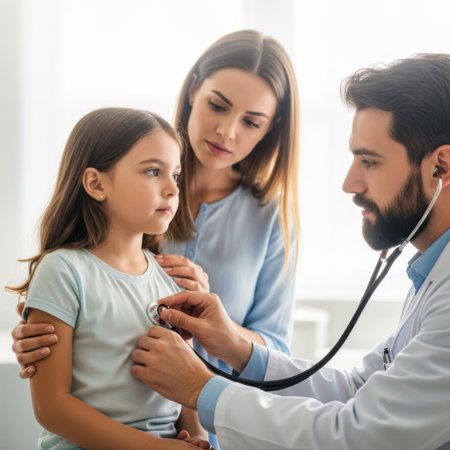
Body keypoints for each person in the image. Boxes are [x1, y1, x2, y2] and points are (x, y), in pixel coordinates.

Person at [130, 54, 450, 450]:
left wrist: (202, 388)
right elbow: (355, 390)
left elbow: (364, 434)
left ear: (442, 168)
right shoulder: (433, 274)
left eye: (369, 161)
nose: (350, 184)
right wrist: (234, 345)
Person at [12, 29, 300, 376]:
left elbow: (278, 352)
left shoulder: (271, 218)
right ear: (194, 89)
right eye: (217, 105)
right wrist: (42, 333)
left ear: (272, 127)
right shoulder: (126, 187)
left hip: (219, 419)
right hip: (119, 416)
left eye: (251, 121)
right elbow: (76, 290)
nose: (227, 131)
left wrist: (216, 325)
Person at [6, 107, 212, 449]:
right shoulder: (63, 271)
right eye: (152, 171)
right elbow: (51, 408)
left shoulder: (172, 279)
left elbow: (186, 384)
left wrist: (200, 437)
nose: (172, 189)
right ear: (95, 183)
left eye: (174, 175)